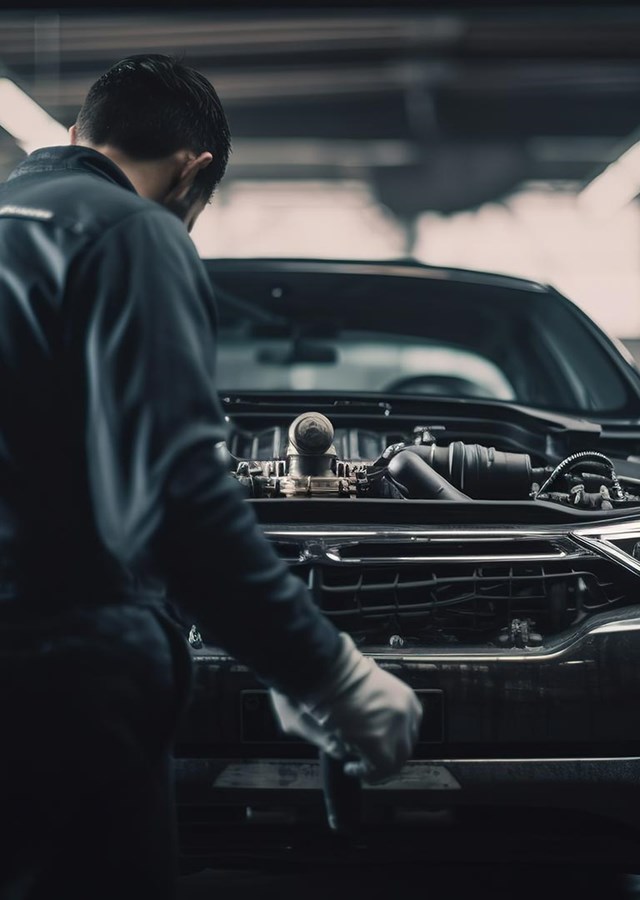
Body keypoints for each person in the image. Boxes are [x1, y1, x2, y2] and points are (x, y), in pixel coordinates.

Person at [0, 54, 422, 899]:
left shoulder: (19, 226)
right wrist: (324, 672)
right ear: (196, 173)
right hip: (56, 688)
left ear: (79, 133)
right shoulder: (129, 233)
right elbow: (170, 502)